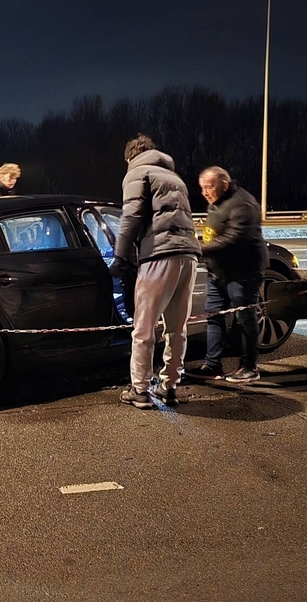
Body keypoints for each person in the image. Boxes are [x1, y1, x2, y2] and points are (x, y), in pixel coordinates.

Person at [113, 134, 201, 409]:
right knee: (177, 328)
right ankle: (170, 386)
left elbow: (132, 215)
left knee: (144, 327)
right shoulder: (175, 178)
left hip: (159, 255)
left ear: (130, 156)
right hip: (189, 255)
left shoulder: (137, 172)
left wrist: (120, 255)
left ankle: (139, 389)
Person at [187, 166, 269, 384]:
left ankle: (249, 367)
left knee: (245, 319)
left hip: (243, 272)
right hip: (218, 272)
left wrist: (200, 249)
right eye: (202, 188)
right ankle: (212, 364)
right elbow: (212, 232)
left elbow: (235, 239)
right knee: (214, 317)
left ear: (224, 184)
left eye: (209, 186)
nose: (205, 192)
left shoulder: (242, 203)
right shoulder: (216, 203)